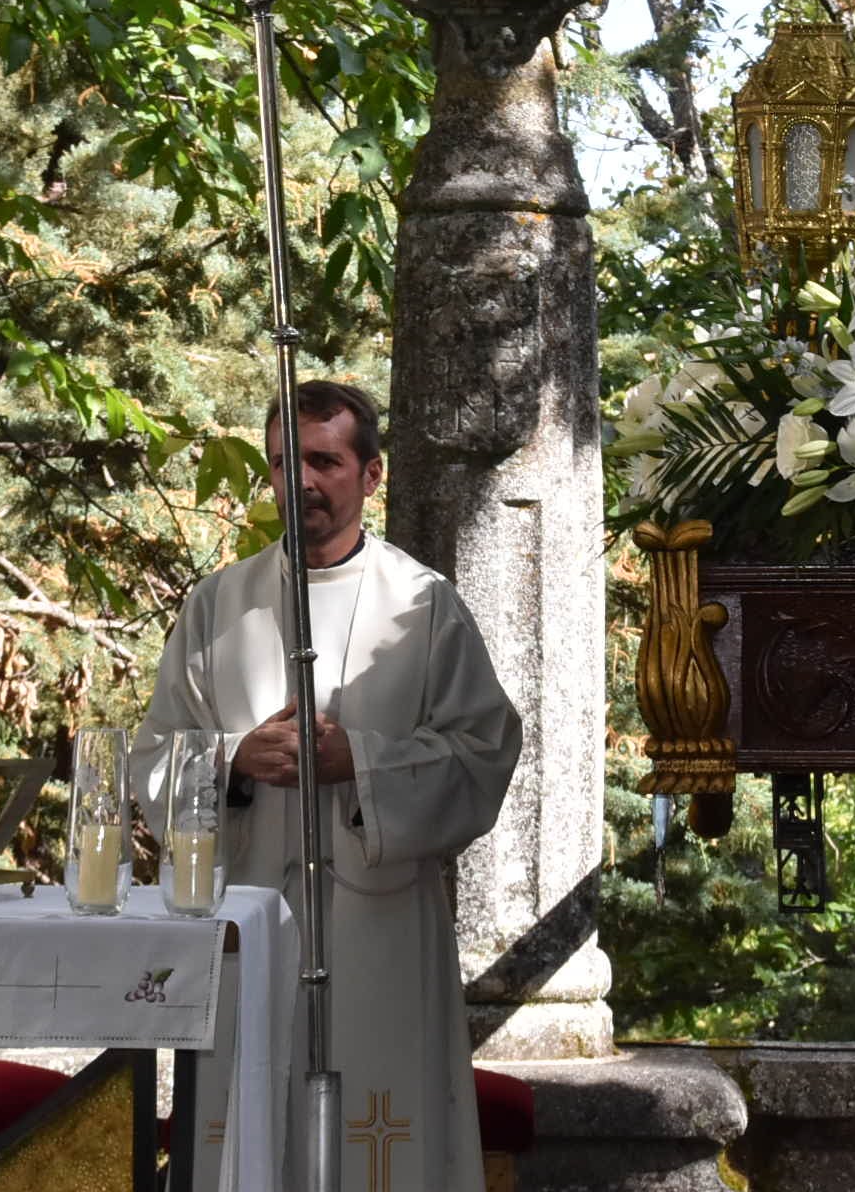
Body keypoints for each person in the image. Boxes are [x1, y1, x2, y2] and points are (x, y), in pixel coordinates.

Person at [144, 382, 521, 1192]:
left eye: (324, 461)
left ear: (371, 475)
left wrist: (363, 763)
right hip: (249, 921)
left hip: (378, 928)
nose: (301, 483)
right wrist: (235, 759)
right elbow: (151, 759)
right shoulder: (218, 607)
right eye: (284, 465)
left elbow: (483, 752)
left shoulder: (423, 607)